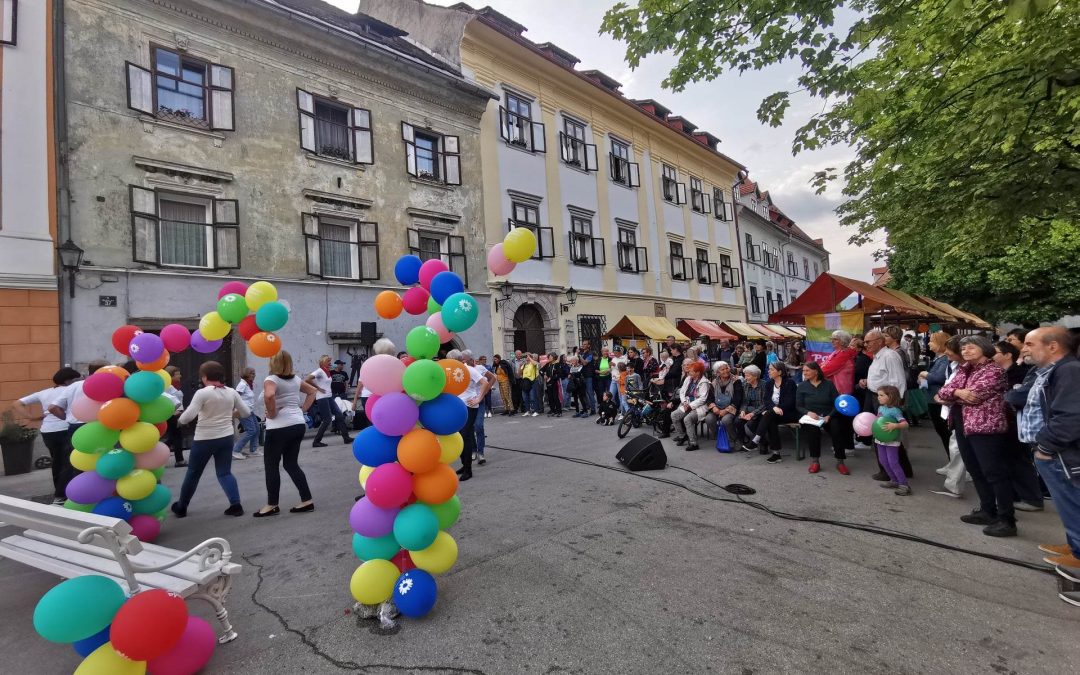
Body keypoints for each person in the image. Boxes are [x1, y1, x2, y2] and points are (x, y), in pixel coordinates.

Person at [936, 335, 1016, 537]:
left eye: (971, 348)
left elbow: (975, 395)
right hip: (964, 425)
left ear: (984, 348)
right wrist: (959, 393)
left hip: (985, 427)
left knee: (994, 472)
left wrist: (956, 394)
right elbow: (943, 393)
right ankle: (987, 510)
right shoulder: (965, 369)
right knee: (975, 469)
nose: (965, 351)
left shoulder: (993, 371)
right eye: (963, 348)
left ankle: (1007, 519)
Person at [1020, 327, 1080, 571]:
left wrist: (1046, 446)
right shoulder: (1050, 371)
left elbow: (1070, 416)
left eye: (1029, 343)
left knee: (1073, 502)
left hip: (1059, 452)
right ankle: (1074, 545)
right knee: (1067, 504)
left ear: (1053, 346)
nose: (1024, 349)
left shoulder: (1069, 371)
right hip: (1052, 450)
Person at [171, 361, 248, 518]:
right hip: (226, 437)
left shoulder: (203, 393)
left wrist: (179, 420)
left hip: (205, 438)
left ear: (204, 377)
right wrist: (228, 414)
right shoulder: (231, 392)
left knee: (193, 472)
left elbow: (187, 417)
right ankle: (236, 505)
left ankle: (181, 507)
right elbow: (246, 412)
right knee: (224, 473)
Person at [254, 351, 318, 518]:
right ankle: (307, 500)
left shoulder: (271, 379)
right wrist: (302, 410)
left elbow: (269, 395)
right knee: (291, 464)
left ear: (273, 362)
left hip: (279, 427)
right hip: (297, 424)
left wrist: (273, 413)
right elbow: (312, 391)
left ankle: (272, 505)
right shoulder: (295, 379)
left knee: (271, 466)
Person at [14, 367, 82, 504]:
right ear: (68, 380)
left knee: (56, 461)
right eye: (75, 379)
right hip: (64, 429)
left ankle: (58, 492)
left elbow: (17, 404)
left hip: (47, 431)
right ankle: (64, 494)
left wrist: (31, 417)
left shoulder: (43, 393)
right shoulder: (72, 389)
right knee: (69, 463)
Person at [994, 340, 1045, 512]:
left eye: (995, 352)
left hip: (1018, 423)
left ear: (1007, 355)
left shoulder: (1020, 372)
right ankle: (1018, 494)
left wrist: (1010, 395)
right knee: (1009, 460)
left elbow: (1015, 397)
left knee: (1018, 460)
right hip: (1008, 422)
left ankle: (1032, 498)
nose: (1024, 349)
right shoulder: (1004, 372)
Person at [864, 328, 912, 479]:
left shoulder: (889, 356)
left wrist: (891, 404)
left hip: (886, 401)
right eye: (865, 342)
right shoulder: (878, 356)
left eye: (868, 342)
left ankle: (889, 472)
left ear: (879, 341)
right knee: (883, 434)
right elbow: (881, 378)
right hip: (877, 397)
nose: (865, 345)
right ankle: (899, 470)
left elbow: (898, 381)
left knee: (885, 434)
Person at [448, 349, 494, 481]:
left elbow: (485, 382)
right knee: (460, 436)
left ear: (459, 360)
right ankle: (464, 464)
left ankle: (468, 469)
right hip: (458, 407)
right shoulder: (451, 371)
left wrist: (479, 398)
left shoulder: (468, 369)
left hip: (470, 406)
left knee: (465, 436)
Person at [797, 362, 848, 475]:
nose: (804, 373)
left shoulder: (829, 384)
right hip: (812, 417)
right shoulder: (802, 386)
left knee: (837, 430)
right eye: (803, 371)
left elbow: (837, 403)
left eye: (807, 370)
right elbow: (799, 406)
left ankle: (840, 462)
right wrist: (808, 412)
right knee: (813, 432)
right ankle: (815, 461)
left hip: (829, 415)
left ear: (816, 371)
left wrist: (829, 415)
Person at [745, 361, 798, 463]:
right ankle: (776, 454)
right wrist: (773, 409)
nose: (768, 371)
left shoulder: (789, 383)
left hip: (788, 413)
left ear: (779, 372)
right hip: (773, 413)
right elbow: (766, 400)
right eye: (769, 369)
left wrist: (776, 408)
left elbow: (791, 401)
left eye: (771, 369)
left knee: (768, 415)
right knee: (770, 420)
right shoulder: (769, 383)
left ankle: (756, 440)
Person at [820, 330, 856, 459]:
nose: (832, 341)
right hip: (836, 392)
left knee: (842, 422)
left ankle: (847, 447)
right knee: (835, 421)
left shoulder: (844, 354)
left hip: (842, 393)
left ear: (841, 341)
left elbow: (824, 370)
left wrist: (817, 370)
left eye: (834, 339)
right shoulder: (837, 353)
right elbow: (823, 367)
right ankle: (841, 445)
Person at [306, 355, 352, 447]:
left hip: (329, 397)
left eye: (330, 361)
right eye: (328, 361)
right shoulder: (319, 371)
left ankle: (346, 438)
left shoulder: (327, 371)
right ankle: (316, 441)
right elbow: (307, 379)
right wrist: (318, 388)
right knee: (327, 420)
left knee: (339, 415)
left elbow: (335, 366)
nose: (330, 363)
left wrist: (332, 364)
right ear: (323, 362)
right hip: (322, 398)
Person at [922, 331, 955, 455]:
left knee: (944, 432)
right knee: (942, 432)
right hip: (934, 398)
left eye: (932, 341)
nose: (929, 343)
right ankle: (951, 461)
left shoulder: (945, 360)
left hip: (939, 400)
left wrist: (924, 374)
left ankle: (952, 462)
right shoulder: (939, 359)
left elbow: (939, 377)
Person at [874, 385, 911, 495]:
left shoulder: (895, 411)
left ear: (890, 397)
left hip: (892, 440)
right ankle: (894, 480)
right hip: (880, 439)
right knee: (883, 461)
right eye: (878, 395)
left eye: (881, 395)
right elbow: (877, 422)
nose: (878, 397)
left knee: (893, 462)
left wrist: (895, 426)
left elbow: (905, 424)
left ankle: (904, 485)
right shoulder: (880, 408)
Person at [460, 350, 495, 465]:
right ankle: (473, 450)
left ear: (470, 359)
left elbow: (493, 378)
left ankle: (481, 452)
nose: (462, 361)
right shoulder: (461, 370)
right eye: (462, 360)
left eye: (464, 359)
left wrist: (484, 393)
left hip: (479, 402)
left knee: (478, 426)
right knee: (470, 428)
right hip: (468, 402)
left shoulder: (479, 368)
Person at [671, 361, 711, 451]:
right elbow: (682, 392)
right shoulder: (688, 379)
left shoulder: (704, 383)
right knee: (674, 415)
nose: (689, 372)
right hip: (687, 404)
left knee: (687, 419)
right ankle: (682, 436)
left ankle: (694, 443)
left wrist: (690, 405)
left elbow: (703, 399)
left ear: (698, 372)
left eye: (691, 371)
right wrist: (684, 402)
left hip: (699, 407)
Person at [703, 361, 743, 444]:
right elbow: (709, 398)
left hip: (731, 408)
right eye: (722, 369)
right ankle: (720, 435)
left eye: (727, 368)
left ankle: (734, 439)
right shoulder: (714, 382)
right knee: (709, 419)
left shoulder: (736, 381)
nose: (726, 371)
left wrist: (726, 410)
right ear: (717, 372)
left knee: (726, 420)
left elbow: (738, 398)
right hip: (717, 408)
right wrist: (714, 407)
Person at [233, 367, 261, 460]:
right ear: (246, 374)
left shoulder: (248, 384)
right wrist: (234, 410)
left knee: (257, 429)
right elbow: (235, 397)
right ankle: (236, 450)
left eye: (254, 373)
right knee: (251, 430)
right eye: (251, 373)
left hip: (249, 410)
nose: (254, 375)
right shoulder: (242, 384)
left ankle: (253, 450)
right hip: (243, 411)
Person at [734, 364, 765, 448]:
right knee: (737, 421)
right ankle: (743, 440)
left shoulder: (764, 385)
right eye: (745, 376)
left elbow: (764, 404)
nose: (745, 378)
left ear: (755, 376)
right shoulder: (745, 385)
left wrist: (752, 413)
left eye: (747, 376)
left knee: (751, 424)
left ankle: (763, 442)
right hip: (749, 409)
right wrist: (743, 411)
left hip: (760, 411)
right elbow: (744, 401)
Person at [543, 351, 563, 418]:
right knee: (550, 398)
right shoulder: (548, 364)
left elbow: (559, 374)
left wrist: (551, 378)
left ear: (554, 357)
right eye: (549, 357)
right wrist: (544, 375)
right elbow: (541, 370)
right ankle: (553, 410)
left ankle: (559, 411)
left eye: (550, 357)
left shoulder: (557, 364)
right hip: (548, 383)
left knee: (555, 397)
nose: (549, 358)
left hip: (555, 383)